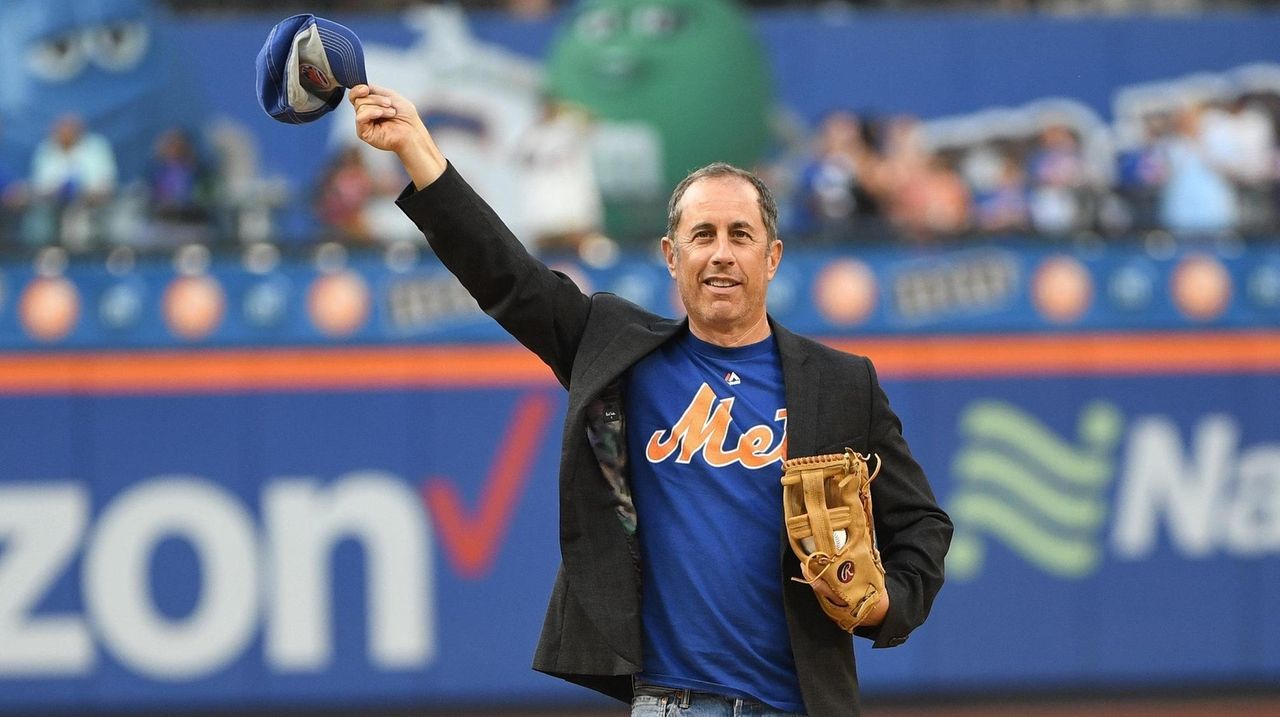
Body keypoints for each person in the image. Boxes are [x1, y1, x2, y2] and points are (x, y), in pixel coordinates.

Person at [349, 83, 952, 717]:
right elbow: (506, 275)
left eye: (740, 235)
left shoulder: (840, 383)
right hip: (672, 703)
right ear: (671, 254)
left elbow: (922, 525)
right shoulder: (619, 354)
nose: (721, 253)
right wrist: (416, 148)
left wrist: (886, 603)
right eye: (703, 234)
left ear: (772, 257)